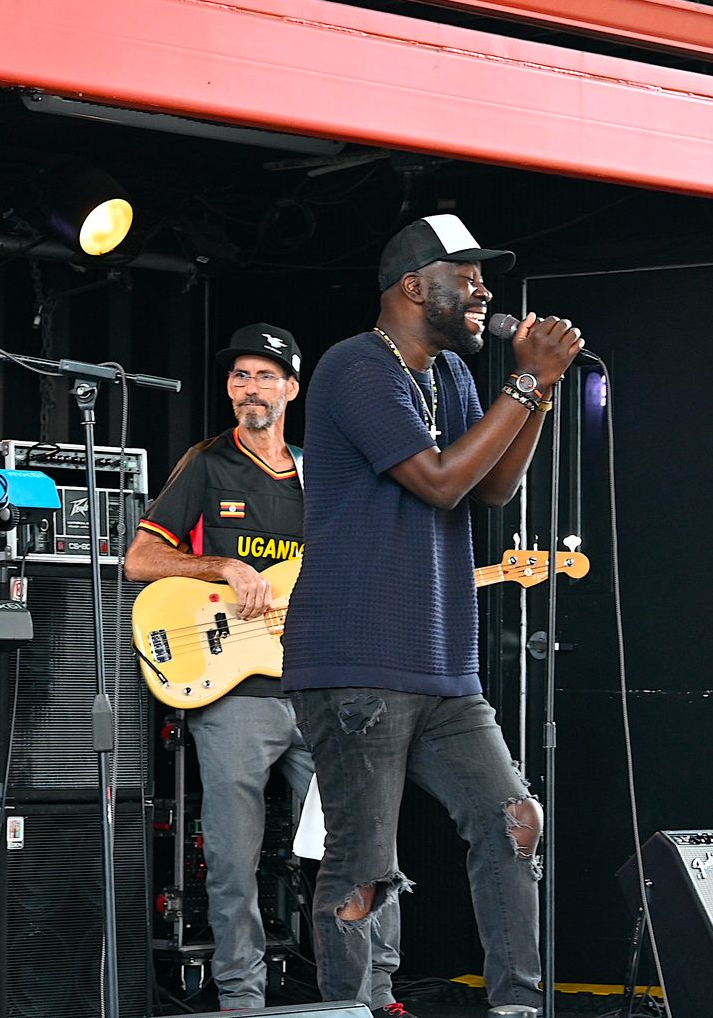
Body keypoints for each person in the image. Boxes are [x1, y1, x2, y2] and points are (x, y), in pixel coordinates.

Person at [281, 215, 581, 1015]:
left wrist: (540, 390)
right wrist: (525, 384)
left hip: (443, 664)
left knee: (514, 819)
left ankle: (518, 1003)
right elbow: (442, 481)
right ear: (415, 286)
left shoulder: (449, 373)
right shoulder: (355, 366)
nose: (484, 290)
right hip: (355, 661)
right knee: (364, 863)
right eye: (467, 275)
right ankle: (358, 1006)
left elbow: (493, 487)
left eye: (485, 277)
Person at [125, 324, 401, 1013]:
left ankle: (373, 993)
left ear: (292, 389)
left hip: (318, 687)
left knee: (364, 841)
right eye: (241, 375)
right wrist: (222, 564)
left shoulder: (321, 472)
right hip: (235, 692)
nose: (251, 387)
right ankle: (241, 998)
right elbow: (140, 560)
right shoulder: (207, 462)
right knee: (231, 858)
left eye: (266, 376)